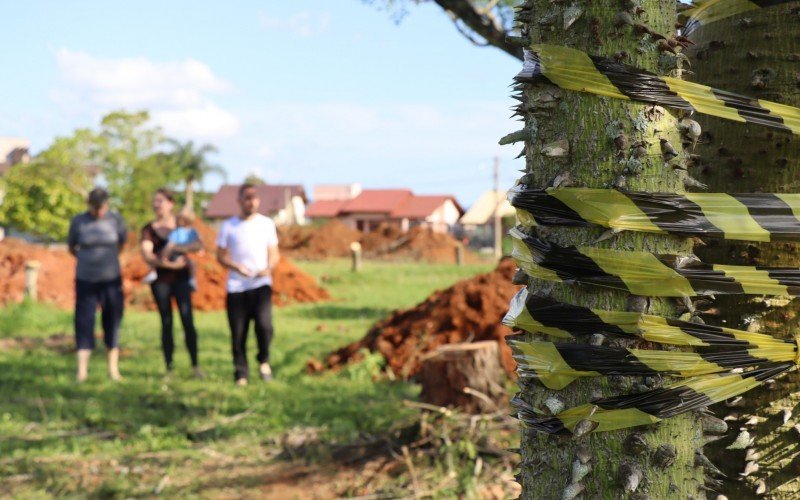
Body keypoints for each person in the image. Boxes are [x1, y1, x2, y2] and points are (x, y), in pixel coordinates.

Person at [216, 183, 280, 386]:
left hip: (261, 284)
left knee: (264, 326)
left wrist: (269, 268)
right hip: (236, 287)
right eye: (246, 198)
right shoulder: (228, 226)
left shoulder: (266, 224)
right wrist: (235, 266)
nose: (251, 202)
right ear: (239, 201)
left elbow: (274, 252)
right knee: (238, 331)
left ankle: (264, 361)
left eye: (254, 198)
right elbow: (220, 256)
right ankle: (241, 372)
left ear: (258, 200)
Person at [140, 189, 204, 378]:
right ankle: (169, 368)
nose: (156, 204)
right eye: (154, 201)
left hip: (182, 280)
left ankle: (195, 366)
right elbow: (147, 255)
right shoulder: (148, 229)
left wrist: (178, 248)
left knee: (187, 320)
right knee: (166, 322)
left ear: (170, 203)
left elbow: (199, 244)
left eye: (160, 201)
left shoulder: (182, 225)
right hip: (161, 281)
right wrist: (167, 264)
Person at [67, 187, 127, 382]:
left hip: (111, 280)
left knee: (112, 320)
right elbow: (71, 247)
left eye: (102, 208)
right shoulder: (79, 221)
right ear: (89, 205)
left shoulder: (116, 220)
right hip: (86, 280)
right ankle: (82, 371)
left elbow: (122, 243)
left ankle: (113, 370)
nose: (99, 212)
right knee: (84, 321)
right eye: (95, 208)